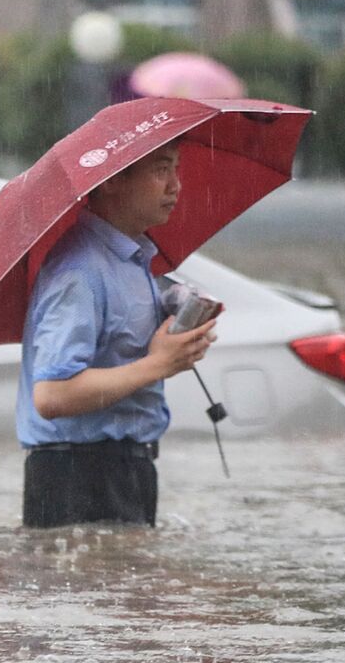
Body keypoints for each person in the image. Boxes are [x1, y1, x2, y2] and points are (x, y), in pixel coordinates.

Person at [19, 143, 216, 529]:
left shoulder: (134, 259)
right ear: (111, 181)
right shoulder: (80, 272)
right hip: (78, 474)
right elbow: (51, 395)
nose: (176, 185)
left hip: (125, 467)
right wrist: (158, 364)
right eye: (161, 170)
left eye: (176, 169)